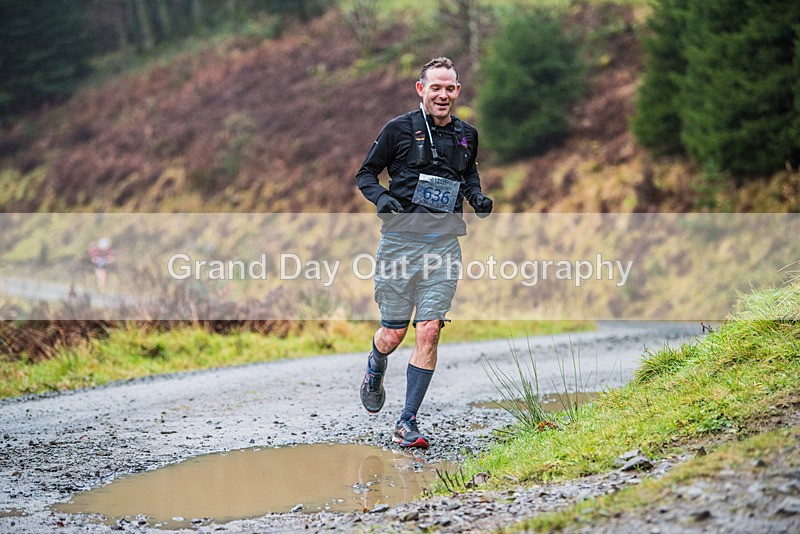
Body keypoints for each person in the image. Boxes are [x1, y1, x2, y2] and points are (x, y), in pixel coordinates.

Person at [355, 57, 493, 448]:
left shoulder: (467, 135)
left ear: (458, 91)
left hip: (444, 246)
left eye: (450, 88)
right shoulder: (397, 129)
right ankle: (375, 364)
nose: (443, 95)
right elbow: (366, 173)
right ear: (422, 90)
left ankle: (406, 421)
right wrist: (381, 199)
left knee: (429, 329)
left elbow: (468, 173)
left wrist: (476, 197)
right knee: (394, 333)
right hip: (399, 244)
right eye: (436, 87)